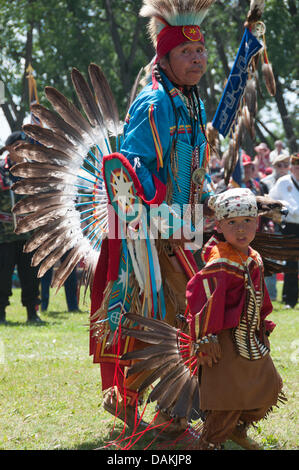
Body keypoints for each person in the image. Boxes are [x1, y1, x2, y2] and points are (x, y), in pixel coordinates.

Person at [90, 0, 215, 435]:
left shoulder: (190, 103)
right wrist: (160, 210)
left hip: (184, 228)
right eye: (187, 53)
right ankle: (152, 414)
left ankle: (170, 412)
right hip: (150, 234)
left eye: (201, 52)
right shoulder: (155, 102)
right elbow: (134, 164)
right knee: (157, 317)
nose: (197, 59)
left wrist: (212, 200)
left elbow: (195, 167)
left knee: (187, 317)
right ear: (164, 58)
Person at [186, 188, 284, 450]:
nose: (241, 230)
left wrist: (264, 324)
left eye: (247, 222)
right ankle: (209, 442)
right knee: (228, 400)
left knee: (268, 387)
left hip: (251, 337)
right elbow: (200, 297)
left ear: (257, 222)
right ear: (219, 226)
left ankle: (237, 430)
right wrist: (205, 338)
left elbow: (260, 296)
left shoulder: (253, 256)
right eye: (232, 223)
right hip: (223, 342)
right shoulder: (220, 262)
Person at [0, 131, 41, 323]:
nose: (22, 150)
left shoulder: (32, 172)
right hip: (4, 235)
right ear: (8, 148)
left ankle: (32, 313)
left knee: (31, 276)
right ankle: (1, 314)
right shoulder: (0, 170)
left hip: (28, 235)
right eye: (17, 146)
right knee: (2, 277)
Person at [269, 153, 299, 309]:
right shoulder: (283, 182)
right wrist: (284, 206)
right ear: (292, 169)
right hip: (291, 225)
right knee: (291, 262)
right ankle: (290, 299)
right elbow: (272, 199)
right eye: (296, 167)